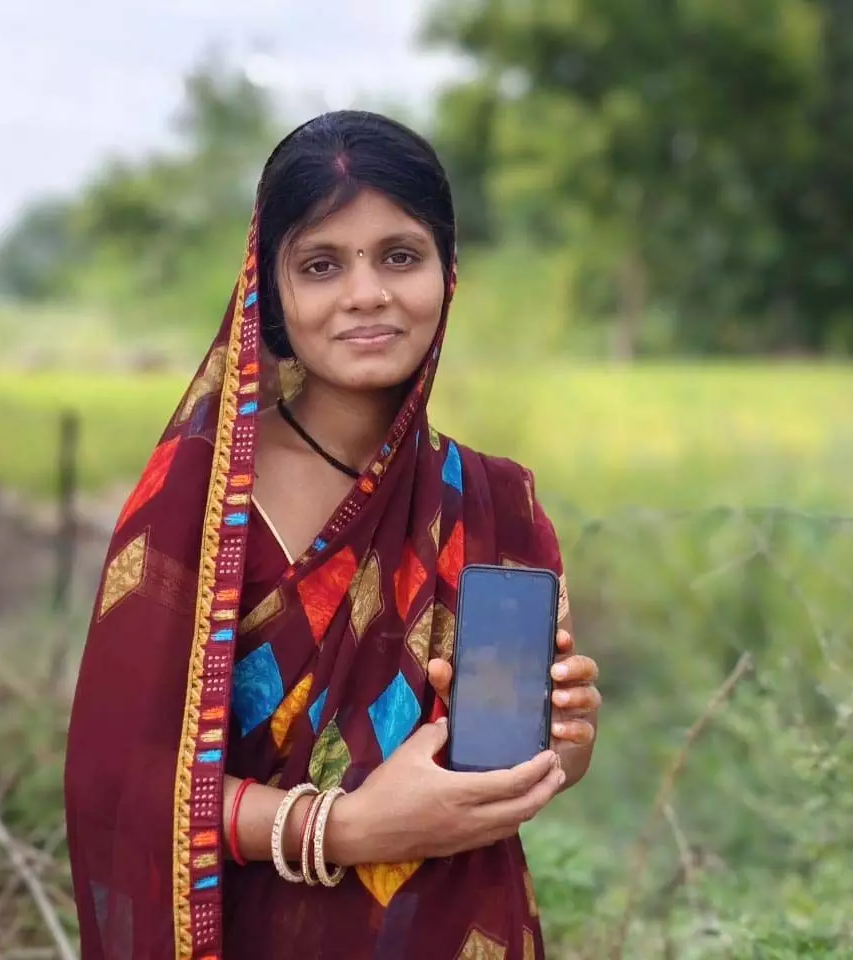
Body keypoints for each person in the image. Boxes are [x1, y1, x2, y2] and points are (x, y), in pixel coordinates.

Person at [64, 110, 602, 960]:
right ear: (270, 295)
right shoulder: (198, 504)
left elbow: (523, 777)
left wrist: (565, 744)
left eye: (400, 255)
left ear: (447, 273)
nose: (367, 294)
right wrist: (344, 829)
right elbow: (121, 782)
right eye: (321, 264)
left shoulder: (497, 501)